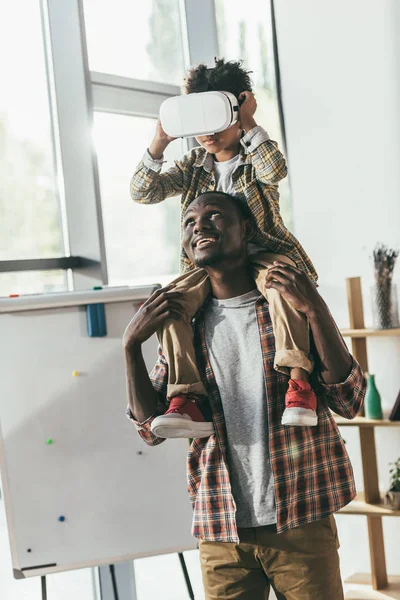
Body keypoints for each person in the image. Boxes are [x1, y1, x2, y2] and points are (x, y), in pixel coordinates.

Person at [123, 191, 366, 600]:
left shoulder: (288, 307)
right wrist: (130, 347)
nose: (198, 225)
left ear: (246, 230)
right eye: (188, 221)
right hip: (220, 530)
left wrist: (316, 308)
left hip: (301, 521)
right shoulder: (183, 325)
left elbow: (349, 401)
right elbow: (152, 430)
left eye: (214, 215)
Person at [130, 58, 319, 437]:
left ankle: (299, 382)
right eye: (199, 122)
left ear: (237, 109)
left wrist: (247, 119)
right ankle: (187, 398)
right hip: (210, 266)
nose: (207, 133)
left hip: (261, 254)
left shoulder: (254, 155)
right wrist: (160, 142)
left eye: (216, 118)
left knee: (283, 285)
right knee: (170, 302)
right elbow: (143, 191)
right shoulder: (193, 164)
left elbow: (274, 169)